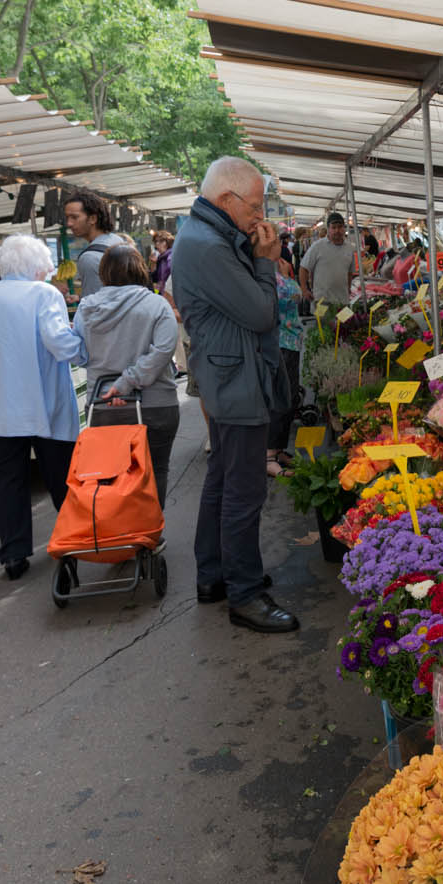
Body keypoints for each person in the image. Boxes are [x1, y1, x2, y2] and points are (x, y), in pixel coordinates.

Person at [171, 156, 297, 634]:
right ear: (226, 200)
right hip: (236, 378)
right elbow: (261, 313)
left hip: (228, 375)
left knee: (223, 479)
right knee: (243, 489)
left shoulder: (209, 236)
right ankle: (244, 594)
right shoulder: (207, 245)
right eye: (256, 206)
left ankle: (215, 575)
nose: (260, 217)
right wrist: (265, 263)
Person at [0, 234, 85, 579]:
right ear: (38, 267)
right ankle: (74, 538)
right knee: (59, 475)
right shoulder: (43, 293)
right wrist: (84, 347)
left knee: (7, 479)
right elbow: (59, 343)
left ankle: (13, 554)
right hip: (41, 400)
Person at [75, 246, 181, 504]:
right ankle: (150, 535)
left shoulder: (86, 307)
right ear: (139, 269)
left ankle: (121, 534)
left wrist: (118, 383)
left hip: (103, 404)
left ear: (103, 273)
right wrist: (128, 381)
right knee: (157, 469)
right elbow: (165, 350)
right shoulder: (156, 304)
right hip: (156, 404)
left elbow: (79, 355)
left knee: (110, 474)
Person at [268, 256, 307, 475]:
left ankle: (278, 448)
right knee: (281, 397)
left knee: (289, 396)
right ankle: (269, 454)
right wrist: (287, 276)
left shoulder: (273, 275)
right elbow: (295, 295)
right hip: (281, 342)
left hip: (288, 342)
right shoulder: (270, 278)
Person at [64, 195, 134, 300]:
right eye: (67, 217)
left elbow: (94, 308)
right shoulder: (118, 241)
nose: (69, 223)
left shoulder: (89, 257)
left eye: (74, 217)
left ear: (93, 218)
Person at [299, 211, 356, 309]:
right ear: (328, 229)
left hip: (343, 301)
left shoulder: (349, 248)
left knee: (343, 324)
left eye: (340, 227)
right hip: (322, 301)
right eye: (333, 227)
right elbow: (303, 268)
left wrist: (348, 288)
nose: (337, 230)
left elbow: (350, 273)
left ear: (344, 228)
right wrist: (304, 290)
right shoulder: (317, 247)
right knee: (323, 324)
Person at [149, 230, 175, 294]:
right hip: (161, 292)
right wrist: (153, 264)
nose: (157, 244)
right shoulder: (161, 258)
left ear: (168, 242)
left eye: (161, 241)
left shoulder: (171, 257)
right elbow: (155, 279)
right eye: (156, 241)